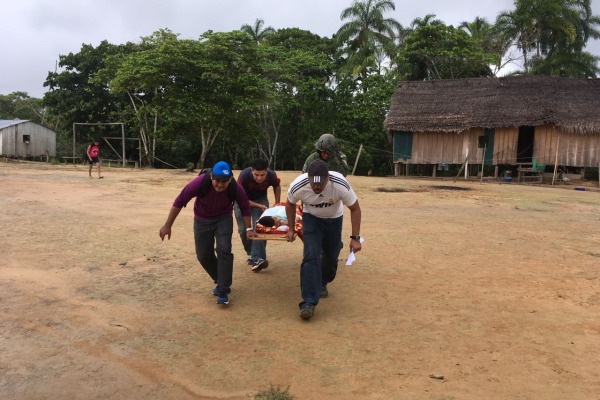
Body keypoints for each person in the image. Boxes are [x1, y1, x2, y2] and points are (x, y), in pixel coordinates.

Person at [159, 161, 255, 305]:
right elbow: (179, 201)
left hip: (223, 219)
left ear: (230, 179)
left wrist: (248, 228)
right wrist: (167, 225)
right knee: (203, 255)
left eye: (225, 181)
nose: (221, 185)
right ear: (211, 177)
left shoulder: (235, 187)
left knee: (224, 250)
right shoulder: (198, 183)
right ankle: (220, 279)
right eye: (217, 181)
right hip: (202, 219)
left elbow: (245, 207)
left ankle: (223, 289)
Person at [285, 159, 362, 320]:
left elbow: (355, 208)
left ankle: (323, 281)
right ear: (308, 178)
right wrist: (291, 228)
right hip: (311, 219)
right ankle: (308, 302)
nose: (317, 187)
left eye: (321, 184)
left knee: (331, 255)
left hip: (334, 219)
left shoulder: (340, 183)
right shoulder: (299, 185)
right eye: (314, 184)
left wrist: (355, 238)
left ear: (328, 178)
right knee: (311, 256)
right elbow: (290, 204)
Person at [234, 159, 281, 272]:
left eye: (262, 175)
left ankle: (258, 258)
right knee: (243, 230)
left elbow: (277, 185)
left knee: (260, 228)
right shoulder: (244, 176)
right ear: (251, 171)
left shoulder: (271, 175)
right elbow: (243, 200)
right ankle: (251, 254)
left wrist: (277, 203)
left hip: (261, 199)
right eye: (256, 174)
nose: (259, 178)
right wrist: (259, 206)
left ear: (266, 171)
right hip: (241, 201)